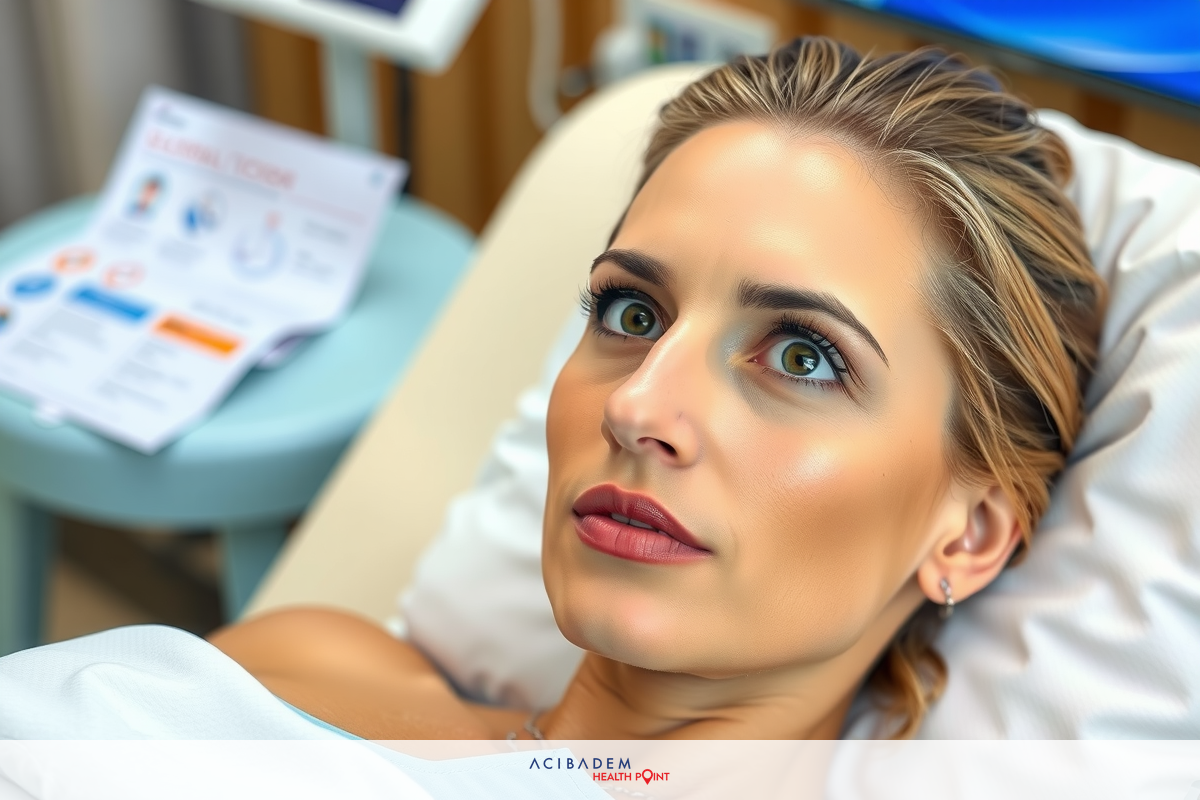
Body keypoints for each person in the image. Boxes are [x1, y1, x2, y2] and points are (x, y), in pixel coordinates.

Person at [209, 36, 1106, 740]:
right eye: (632, 314)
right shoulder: (300, 660)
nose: (635, 407)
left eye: (803, 357)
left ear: (970, 535)